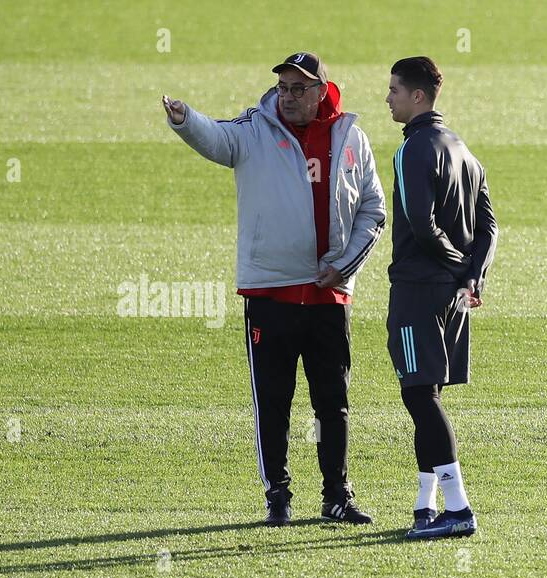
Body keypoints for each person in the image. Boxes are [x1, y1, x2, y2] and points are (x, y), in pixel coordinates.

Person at [162, 52, 386, 526]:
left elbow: (373, 209)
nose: (287, 96)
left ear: (322, 90)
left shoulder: (350, 137)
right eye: (283, 87)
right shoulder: (255, 129)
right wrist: (186, 120)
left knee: (332, 402)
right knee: (273, 401)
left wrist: (343, 266)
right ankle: (278, 495)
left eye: (298, 88)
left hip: (329, 297)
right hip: (270, 295)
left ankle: (336, 495)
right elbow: (219, 139)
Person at [384, 56, 497, 541]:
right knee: (426, 395)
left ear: (417, 97)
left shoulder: (413, 149)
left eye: (393, 89)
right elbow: (490, 226)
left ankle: (458, 508)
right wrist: (474, 277)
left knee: (418, 397)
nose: (387, 97)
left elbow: (422, 224)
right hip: (451, 295)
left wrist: (454, 268)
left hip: (418, 292)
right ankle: (425, 505)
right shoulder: (463, 150)